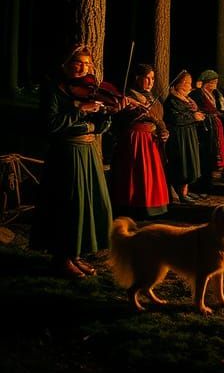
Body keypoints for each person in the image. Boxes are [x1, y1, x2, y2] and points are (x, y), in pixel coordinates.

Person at [31, 45, 114, 279]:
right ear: (66, 63)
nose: (83, 68)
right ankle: (61, 258)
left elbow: (98, 127)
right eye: (78, 63)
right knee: (69, 205)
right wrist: (80, 111)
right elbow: (51, 125)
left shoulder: (87, 90)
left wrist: (105, 116)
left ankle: (75, 254)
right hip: (66, 154)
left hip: (87, 152)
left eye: (87, 64)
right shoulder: (52, 89)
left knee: (88, 202)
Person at [112, 63, 170, 218]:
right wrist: (130, 111)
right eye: (147, 78)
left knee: (152, 175)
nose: (151, 82)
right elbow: (119, 120)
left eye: (153, 78)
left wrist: (164, 131)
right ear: (137, 78)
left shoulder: (153, 99)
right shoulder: (128, 96)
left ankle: (152, 206)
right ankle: (134, 207)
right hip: (136, 140)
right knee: (136, 175)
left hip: (152, 140)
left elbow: (160, 120)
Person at [163, 70, 205, 205]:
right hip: (179, 136)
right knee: (183, 164)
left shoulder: (188, 101)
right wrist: (193, 117)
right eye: (185, 82)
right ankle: (181, 193)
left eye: (189, 82)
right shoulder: (172, 100)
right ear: (177, 84)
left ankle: (186, 191)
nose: (188, 85)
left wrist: (197, 117)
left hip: (189, 134)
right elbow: (175, 118)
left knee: (191, 162)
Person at [190, 68, 224, 194]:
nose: (214, 85)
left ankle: (210, 183)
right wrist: (210, 115)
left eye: (215, 82)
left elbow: (221, 108)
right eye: (211, 82)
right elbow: (198, 109)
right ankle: (202, 185)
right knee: (206, 156)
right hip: (205, 129)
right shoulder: (197, 94)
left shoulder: (217, 94)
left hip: (217, 128)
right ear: (205, 82)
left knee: (214, 156)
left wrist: (219, 114)